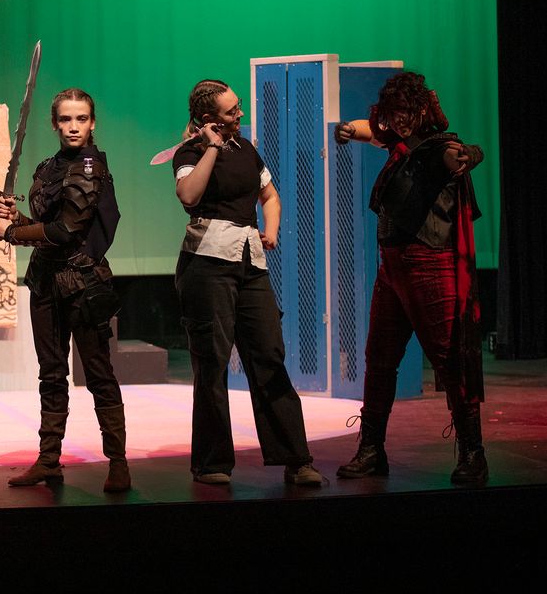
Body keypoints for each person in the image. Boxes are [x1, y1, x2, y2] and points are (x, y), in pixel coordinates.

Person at [334, 71, 487, 484]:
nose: (396, 120)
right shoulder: (398, 144)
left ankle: (473, 453)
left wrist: (467, 156)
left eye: (404, 111)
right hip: (392, 269)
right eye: (391, 113)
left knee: (449, 359)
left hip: (428, 265)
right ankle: (371, 450)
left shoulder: (437, 148)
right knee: (379, 359)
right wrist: (346, 129)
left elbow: (461, 154)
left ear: (420, 111)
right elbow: (371, 130)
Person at [172, 79, 322, 486]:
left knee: (269, 354)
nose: (240, 114)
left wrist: (270, 230)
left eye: (238, 107)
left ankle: (296, 458)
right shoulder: (190, 152)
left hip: (249, 262)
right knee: (212, 362)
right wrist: (211, 148)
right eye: (231, 110)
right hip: (207, 264)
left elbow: (269, 195)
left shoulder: (246, 149)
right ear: (209, 119)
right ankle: (212, 463)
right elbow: (188, 195)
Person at [0, 88, 130, 493]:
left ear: (92, 123)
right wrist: (15, 218)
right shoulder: (47, 167)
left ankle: (118, 461)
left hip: (83, 283)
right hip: (45, 281)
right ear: (54, 123)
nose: (73, 127)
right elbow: (46, 225)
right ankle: (49, 459)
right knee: (51, 374)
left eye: (81, 119)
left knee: (99, 373)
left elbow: (68, 229)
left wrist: (12, 232)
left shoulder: (90, 167)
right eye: (66, 119)